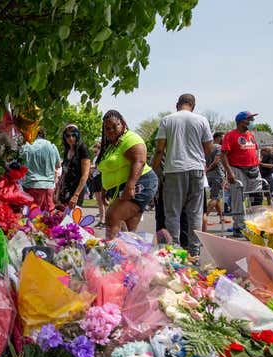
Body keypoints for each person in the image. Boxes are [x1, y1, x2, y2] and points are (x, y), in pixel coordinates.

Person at [152, 94, 213, 257]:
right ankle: (194, 251)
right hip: (196, 169)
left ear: (177, 104)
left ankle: (174, 249)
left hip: (174, 169)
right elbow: (209, 149)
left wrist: (154, 169)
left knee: (172, 212)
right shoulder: (202, 120)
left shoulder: (167, 120)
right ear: (192, 105)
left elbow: (160, 149)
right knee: (195, 212)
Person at [96, 110, 158, 239]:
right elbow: (108, 169)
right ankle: (126, 256)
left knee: (113, 216)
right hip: (121, 188)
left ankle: (110, 255)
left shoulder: (130, 138)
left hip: (141, 183)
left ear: (122, 124)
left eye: (115, 126)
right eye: (107, 128)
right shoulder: (111, 145)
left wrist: (130, 187)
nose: (111, 130)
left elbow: (139, 161)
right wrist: (104, 189)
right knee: (127, 234)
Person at [221, 111, 262, 238]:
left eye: (252, 119)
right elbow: (223, 155)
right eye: (249, 119)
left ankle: (256, 226)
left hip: (253, 169)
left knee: (257, 197)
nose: (251, 122)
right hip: (238, 169)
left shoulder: (251, 135)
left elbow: (254, 151)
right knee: (238, 199)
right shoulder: (231, 135)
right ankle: (239, 227)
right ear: (240, 121)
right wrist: (229, 172)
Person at [20, 127, 61, 211]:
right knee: (50, 217)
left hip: (32, 186)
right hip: (49, 186)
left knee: (33, 216)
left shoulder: (26, 146)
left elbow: (20, 165)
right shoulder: (52, 146)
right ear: (43, 134)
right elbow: (58, 165)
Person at [57, 124, 91, 210]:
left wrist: (76, 195)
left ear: (77, 135)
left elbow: (85, 175)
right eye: (68, 136)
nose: (71, 138)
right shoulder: (66, 150)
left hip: (76, 191)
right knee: (61, 220)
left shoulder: (82, 148)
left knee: (72, 220)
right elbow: (64, 173)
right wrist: (57, 191)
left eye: (73, 135)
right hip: (65, 190)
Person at [205, 132, 227, 225]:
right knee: (215, 198)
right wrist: (208, 169)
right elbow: (216, 162)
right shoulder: (219, 147)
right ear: (217, 138)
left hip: (209, 176)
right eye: (223, 138)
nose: (224, 140)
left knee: (217, 196)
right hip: (217, 175)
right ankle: (204, 217)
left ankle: (221, 217)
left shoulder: (207, 147)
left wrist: (206, 171)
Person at [90, 142, 107, 227]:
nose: (95, 153)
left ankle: (106, 220)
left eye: (96, 151)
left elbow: (98, 166)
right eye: (94, 152)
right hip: (95, 178)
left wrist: (90, 167)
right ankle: (101, 220)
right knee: (99, 202)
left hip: (101, 178)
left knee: (103, 201)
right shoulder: (95, 158)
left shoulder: (102, 157)